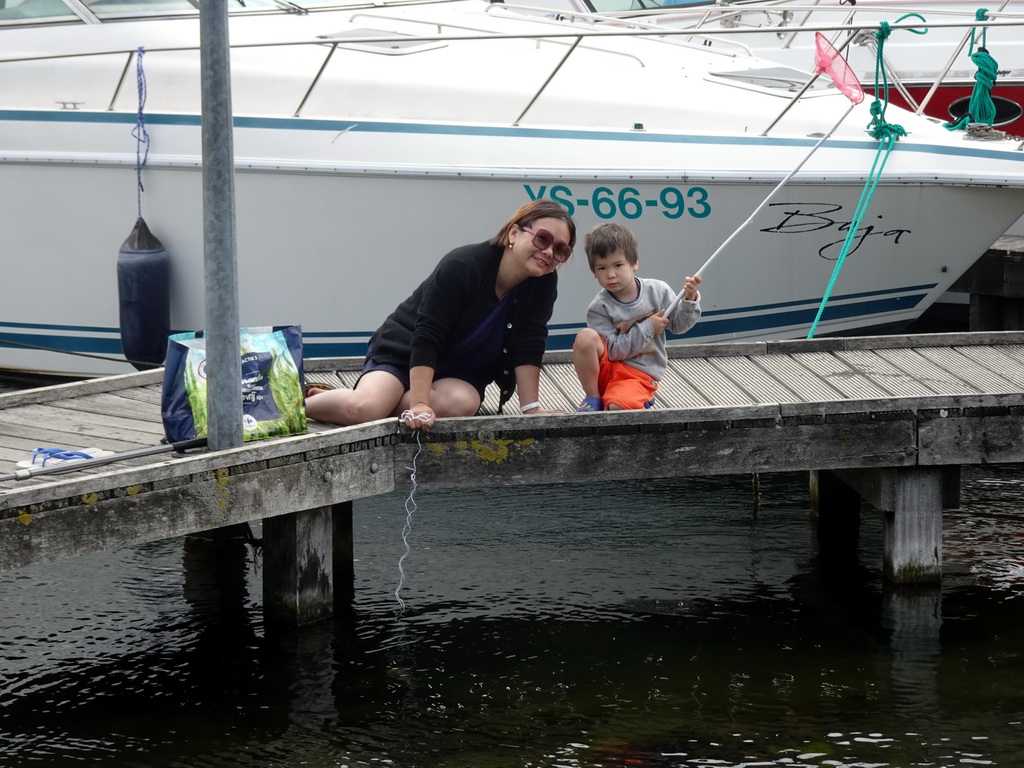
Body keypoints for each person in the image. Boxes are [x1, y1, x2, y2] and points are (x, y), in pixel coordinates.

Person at [305, 200, 576, 431]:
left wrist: (531, 409)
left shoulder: (543, 284)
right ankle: (300, 406)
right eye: (543, 238)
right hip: (405, 356)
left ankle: (363, 402)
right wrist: (420, 404)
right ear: (514, 233)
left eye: (561, 250)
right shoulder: (463, 265)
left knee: (463, 405)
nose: (549, 252)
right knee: (362, 409)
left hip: (459, 375)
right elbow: (427, 335)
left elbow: (529, 343)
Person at [572, 222, 702, 412]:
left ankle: (636, 397)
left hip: (637, 373)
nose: (611, 275)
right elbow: (614, 351)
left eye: (618, 265)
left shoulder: (658, 291)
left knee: (617, 406)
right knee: (585, 337)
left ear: (634, 263)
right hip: (607, 371)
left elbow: (679, 326)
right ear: (594, 272)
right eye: (602, 268)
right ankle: (593, 397)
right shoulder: (598, 308)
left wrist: (689, 300)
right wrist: (648, 327)